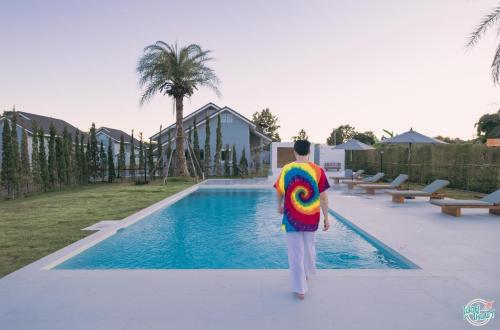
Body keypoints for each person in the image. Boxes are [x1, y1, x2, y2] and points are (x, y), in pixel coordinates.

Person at [274, 140, 330, 300]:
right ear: (309, 152)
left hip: (292, 217)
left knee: (295, 252)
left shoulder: (287, 169)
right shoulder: (317, 170)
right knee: (309, 247)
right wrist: (326, 217)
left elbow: (279, 191)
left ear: (294, 151)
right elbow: (324, 197)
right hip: (311, 216)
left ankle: (300, 289)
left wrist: (279, 205)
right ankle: (307, 273)